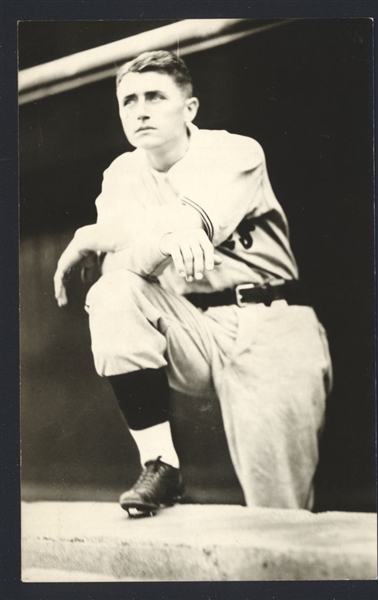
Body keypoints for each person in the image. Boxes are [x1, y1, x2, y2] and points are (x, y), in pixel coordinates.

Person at [54, 50, 332, 515]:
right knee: (113, 292)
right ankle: (160, 462)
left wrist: (96, 235)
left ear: (190, 108)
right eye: (129, 101)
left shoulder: (235, 151)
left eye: (156, 96)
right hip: (194, 329)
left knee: (280, 515)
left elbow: (200, 223)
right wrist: (140, 239)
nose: (140, 109)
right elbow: (127, 268)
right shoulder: (122, 174)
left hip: (270, 325)